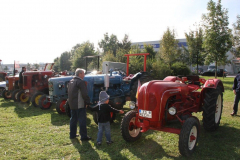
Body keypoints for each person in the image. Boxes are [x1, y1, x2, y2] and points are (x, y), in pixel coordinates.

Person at [68, 68, 92, 140]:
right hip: (79, 104)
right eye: (83, 74)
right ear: (80, 74)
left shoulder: (71, 81)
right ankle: (84, 136)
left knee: (73, 119)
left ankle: (72, 134)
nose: (84, 75)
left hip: (72, 104)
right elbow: (84, 94)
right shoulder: (80, 82)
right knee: (82, 120)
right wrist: (88, 102)